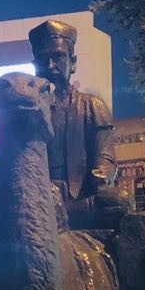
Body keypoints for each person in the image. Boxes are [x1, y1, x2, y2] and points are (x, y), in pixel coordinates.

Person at [28, 19, 115, 225]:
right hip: (34, 202)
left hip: (77, 202)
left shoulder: (92, 105)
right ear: (34, 65)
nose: (50, 65)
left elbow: (105, 156)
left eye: (58, 57)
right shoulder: (24, 113)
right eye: (43, 59)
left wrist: (102, 173)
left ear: (72, 62)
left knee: (114, 202)